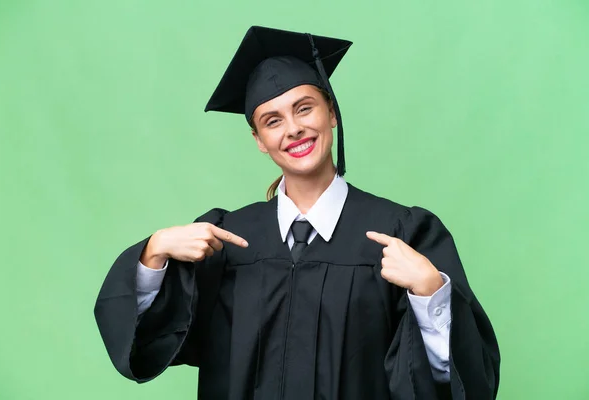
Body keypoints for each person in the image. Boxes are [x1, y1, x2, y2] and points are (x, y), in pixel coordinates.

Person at [94, 26, 500, 399]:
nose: (293, 129)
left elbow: (465, 382)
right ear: (259, 140)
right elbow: (147, 343)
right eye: (273, 120)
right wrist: (154, 253)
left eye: (304, 108)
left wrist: (431, 293)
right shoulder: (225, 240)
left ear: (332, 113)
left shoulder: (402, 233)